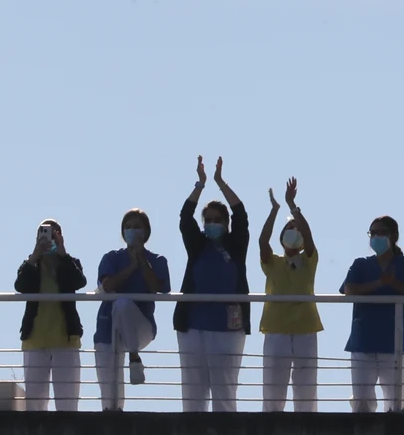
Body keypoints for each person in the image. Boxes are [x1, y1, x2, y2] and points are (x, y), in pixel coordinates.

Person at [174, 155, 250, 413]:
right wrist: (201, 184)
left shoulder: (236, 245)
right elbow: (185, 217)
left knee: (224, 389)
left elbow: (241, 214)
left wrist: (220, 182)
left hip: (228, 326)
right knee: (193, 391)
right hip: (193, 325)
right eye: (208, 219)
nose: (212, 223)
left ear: (226, 224)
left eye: (218, 219)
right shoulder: (198, 246)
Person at [340, 214, 404, 413]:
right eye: (373, 233)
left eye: (382, 232)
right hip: (363, 340)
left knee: (395, 405)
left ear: (394, 235)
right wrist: (379, 283)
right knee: (361, 403)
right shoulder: (361, 264)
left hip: (395, 342)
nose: (377, 237)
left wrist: (393, 283)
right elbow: (349, 289)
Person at [94, 208, 170, 412]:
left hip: (140, 327)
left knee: (124, 304)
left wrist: (142, 262)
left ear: (146, 232)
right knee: (109, 394)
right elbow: (108, 285)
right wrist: (130, 267)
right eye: (128, 227)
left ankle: (134, 354)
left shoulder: (158, 260)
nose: (132, 231)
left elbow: (156, 287)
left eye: (137, 226)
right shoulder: (111, 258)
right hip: (107, 330)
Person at [258, 177, 322, 413]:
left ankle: (307, 424)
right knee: (273, 386)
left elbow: (308, 233)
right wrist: (275, 211)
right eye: (289, 230)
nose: (293, 233)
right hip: (276, 329)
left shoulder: (309, 260)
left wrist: (292, 205)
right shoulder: (273, 263)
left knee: (306, 386)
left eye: (296, 231)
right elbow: (262, 241)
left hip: (305, 328)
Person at [16, 219, 86, 411]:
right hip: (35, 341)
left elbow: (79, 281)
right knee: (35, 406)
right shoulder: (30, 265)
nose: (49, 236)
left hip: (66, 341)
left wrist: (63, 255)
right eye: (44, 232)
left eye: (54, 233)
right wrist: (35, 256)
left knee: (68, 404)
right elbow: (20, 286)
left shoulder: (70, 263)